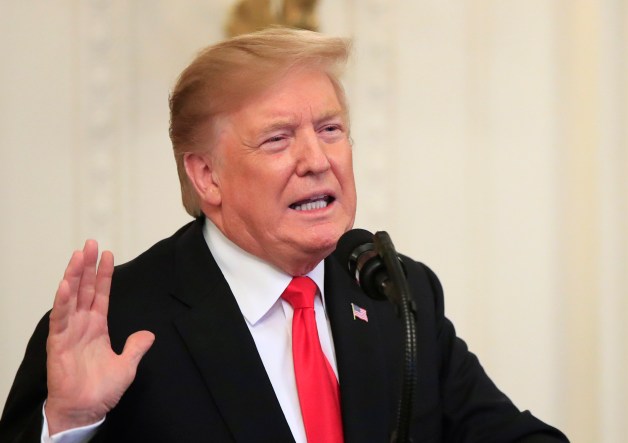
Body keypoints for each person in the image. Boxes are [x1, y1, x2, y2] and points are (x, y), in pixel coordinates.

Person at [0, 28, 569, 443]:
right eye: (277, 139)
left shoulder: (398, 294)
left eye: (330, 130)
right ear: (207, 175)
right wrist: (69, 425)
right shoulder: (116, 324)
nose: (316, 159)